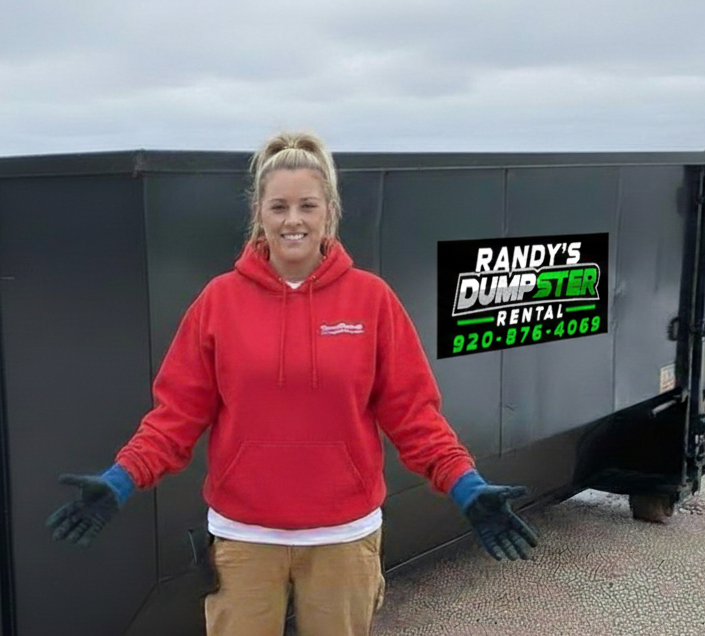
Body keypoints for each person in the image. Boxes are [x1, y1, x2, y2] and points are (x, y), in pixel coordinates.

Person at [46, 130, 539, 636]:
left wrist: (466, 486)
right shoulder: (219, 302)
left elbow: (414, 418)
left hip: (344, 540)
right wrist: (119, 480)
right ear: (258, 212)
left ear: (329, 211)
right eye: (279, 206)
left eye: (307, 205)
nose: (293, 220)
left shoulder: (372, 301)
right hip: (244, 539)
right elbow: (175, 419)